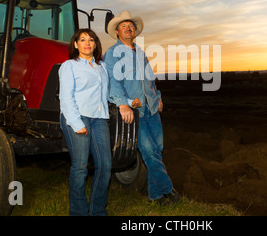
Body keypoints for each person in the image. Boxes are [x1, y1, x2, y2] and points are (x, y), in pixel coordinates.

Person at [103, 11, 180, 205]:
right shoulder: (112, 54)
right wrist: (122, 103)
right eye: (124, 26)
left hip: (151, 108)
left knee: (157, 149)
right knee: (148, 151)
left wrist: (158, 97)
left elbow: (149, 79)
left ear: (134, 30)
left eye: (131, 25)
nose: (128, 28)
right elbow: (113, 81)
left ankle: (155, 196)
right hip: (135, 112)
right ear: (117, 31)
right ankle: (168, 190)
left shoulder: (140, 52)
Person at [58, 28, 111, 216]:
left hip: (99, 119)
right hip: (77, 117)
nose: (87, 43)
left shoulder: (102, 67)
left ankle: (97, 211)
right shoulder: (69, 66)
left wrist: (127, 103)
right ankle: (78, 212)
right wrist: (76, 123)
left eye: (91, 40)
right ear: (76, 44)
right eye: (82, 39)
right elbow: (65, 97)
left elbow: (108, 93)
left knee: (105, 166)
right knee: (80, 167)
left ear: (95, 44)